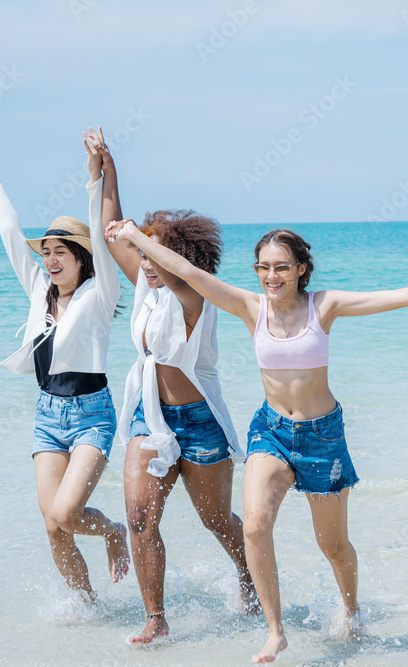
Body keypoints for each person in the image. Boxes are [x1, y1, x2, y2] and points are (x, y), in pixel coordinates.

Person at [105, 219, 408, 663]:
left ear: (301, 269)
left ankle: (350, 607)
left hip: (322, 435)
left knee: (334, 546)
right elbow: (190, 274)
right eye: (264, 267)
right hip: (270, 430)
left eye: (282, 268)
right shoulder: (251, 307)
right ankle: (275, 631)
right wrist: (134, 238)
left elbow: (395, 298)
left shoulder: (323, 307)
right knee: (254, 525)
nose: (272, 276)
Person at [82, 129, 257, 644]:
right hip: (149, 417)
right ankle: (156, 617)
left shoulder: (194, 294)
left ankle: (250, 577)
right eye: (145, 258)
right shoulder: (149, 288)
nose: (145, 266)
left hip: (200, 420)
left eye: (156, 256)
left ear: (180, 259)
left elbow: (171, 271)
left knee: (215, 520)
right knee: (139, 517)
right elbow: (112, 227)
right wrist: (104, 167)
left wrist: (141, 239)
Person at [0, 128, 129, 603]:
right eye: (47, 252)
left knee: (66, 513)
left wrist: (93, 179)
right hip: (47, 416)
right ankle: (87, 609)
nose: (51, 259)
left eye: (61, 251)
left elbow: (102, 245)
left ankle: (114, 532)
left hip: (91, 415)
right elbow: (8, 234)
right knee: (53, 526)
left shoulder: (101, 296)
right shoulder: (39, 293)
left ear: (82, 259)